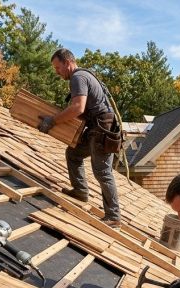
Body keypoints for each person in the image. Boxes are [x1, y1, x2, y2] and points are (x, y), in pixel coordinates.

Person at [38, 48, 121, 228]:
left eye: (58, 68)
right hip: (96, 128)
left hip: (102, 129)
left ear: (68, 63)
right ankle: (80, 191)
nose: (57, 72)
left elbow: (78, 108)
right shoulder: (83, 76)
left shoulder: (78, 77)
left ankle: (113, 216)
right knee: (74, 154)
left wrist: (52, 121)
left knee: (102, 171)